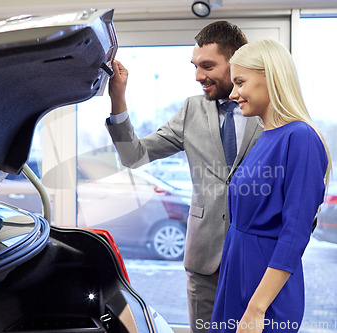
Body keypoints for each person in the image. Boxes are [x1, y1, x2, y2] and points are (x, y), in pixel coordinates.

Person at [106, 21, 263, 332]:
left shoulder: (266, 108)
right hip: (204, 259)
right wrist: (118, 99)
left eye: (207, 66)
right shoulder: (191, 111)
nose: (198, 76)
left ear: (235, 62)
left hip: (255, 259)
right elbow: (133, 155)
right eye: (195, 66)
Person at [209, 39, 331, 333]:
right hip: (237, 274)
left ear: (271, 77)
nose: (233, 93)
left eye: (240, 82)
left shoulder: (299, 137)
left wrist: (256, 308)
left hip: (264, 290)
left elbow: (295, 233)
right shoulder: (266, 136)